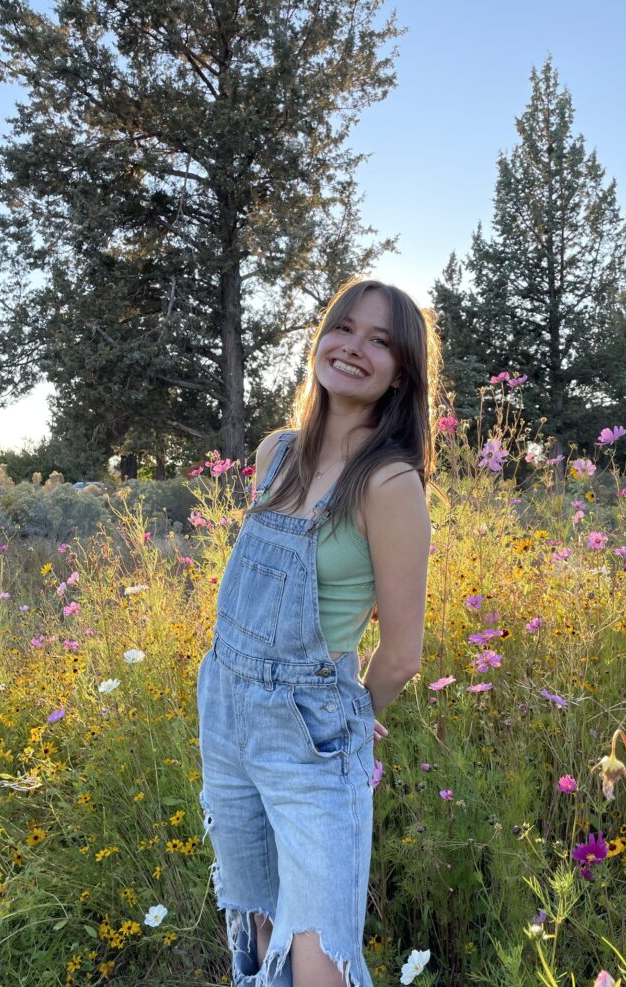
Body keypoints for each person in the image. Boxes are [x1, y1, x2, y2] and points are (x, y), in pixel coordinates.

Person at [196, 277, 441, 987]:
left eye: (381, 340)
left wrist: (355, 713)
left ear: (403, 373)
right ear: (321, 339)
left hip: (312, 730)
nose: (354, 347)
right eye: (344, 327)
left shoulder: (390, 485)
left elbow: (400, 653)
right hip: (227, 710)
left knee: (319, 952)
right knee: (260, 915)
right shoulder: (275, 453)